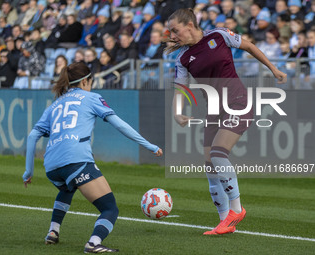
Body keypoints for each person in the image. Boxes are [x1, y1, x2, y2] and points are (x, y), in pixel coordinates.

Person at [167, 8, 286, 235]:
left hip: (237, 102)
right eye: (170, 32)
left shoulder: (219, 35)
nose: (172, 36)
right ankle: (224, 223)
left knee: (218, 154)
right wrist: (177, 112)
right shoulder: (182, 58)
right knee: (210, 166)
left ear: (190, 25)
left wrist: (273, 68)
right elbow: (180, 88)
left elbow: (249, 46)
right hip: (214, 110)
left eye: (176, 30)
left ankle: (237, 209)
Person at [22, 61, 163, 253]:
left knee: (67, 188)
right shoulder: (91, 98)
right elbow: (120, 125)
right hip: (76, 160)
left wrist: (28, 172)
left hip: (51, 166)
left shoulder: (54, 105)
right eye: (91, 81)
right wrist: (149, 145)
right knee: (110, 209)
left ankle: (53, 231)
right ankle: (93, 243)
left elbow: (32, 137)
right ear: (85, 82)